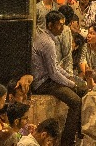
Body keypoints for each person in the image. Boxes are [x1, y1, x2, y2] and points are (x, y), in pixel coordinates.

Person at [31, 11, 82, 146]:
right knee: (76, 101)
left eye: (63, 24)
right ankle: (67, 142)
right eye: (59, 25)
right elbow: (53, 73)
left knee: (82, 89)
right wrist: (71, 83)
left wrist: (69, 77)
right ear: (50, 25)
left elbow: (56, 67)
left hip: (49, 79)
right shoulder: (47, 42)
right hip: (43, 83)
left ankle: (79, 133)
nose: (62, 28)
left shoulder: (47, 38)